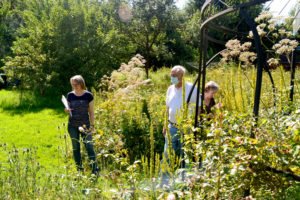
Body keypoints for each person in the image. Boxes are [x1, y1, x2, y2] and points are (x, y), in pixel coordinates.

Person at [65, 75, 99, 175]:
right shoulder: (70, 95)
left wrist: (92, 126)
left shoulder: (88, 95)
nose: (74, 86)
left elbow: (91, 112)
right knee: (76, 148)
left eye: (76, 84)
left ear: (81, 83)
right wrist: (66, 110)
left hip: (86, 126)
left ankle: (95, 169)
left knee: (89, 147)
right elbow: (67, 109)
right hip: (72, 126)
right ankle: (79, 170)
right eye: (73, 84)